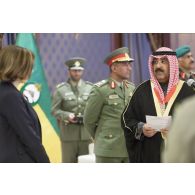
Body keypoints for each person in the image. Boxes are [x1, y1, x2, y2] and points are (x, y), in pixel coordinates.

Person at [122, 47, 194, 163]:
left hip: (179, 158)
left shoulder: (188, 91)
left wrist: (177, 131)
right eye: (155, 62)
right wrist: (141, 128)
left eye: (163, 62)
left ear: (173, 65)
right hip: (149, 156)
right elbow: (127, 119)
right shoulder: (142, 90)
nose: (158, 66)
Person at [84, 47, 135, 163]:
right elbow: (88, 120)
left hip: (128, 148)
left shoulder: (131, 88)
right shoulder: (100, 90)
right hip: (108, 150)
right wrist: (102, 137)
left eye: (129, 64)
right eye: (125, 65)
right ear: (114, 67)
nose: (130, 68)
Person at [0, 45, 50, 163]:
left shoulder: (6, 91)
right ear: (19, 67)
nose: (32, 70)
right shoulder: (10, 96)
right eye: (30, 66)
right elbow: (27, 135)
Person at [51, 57, 93, 163]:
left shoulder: (90, 88)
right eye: (74, 70)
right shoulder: (61, 89)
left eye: (79, 70)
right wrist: (66, 116)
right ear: (69, 71)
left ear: (82, 71)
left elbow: (95, 109)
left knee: (86, 165)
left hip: (86, 135)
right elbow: (54, 110)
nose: (77, 73)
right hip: (68, 136)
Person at [162, 96, 195, 162]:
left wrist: (173, 134)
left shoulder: (188, 109)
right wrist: (141, 127)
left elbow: (174, 159)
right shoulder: (141, 91)